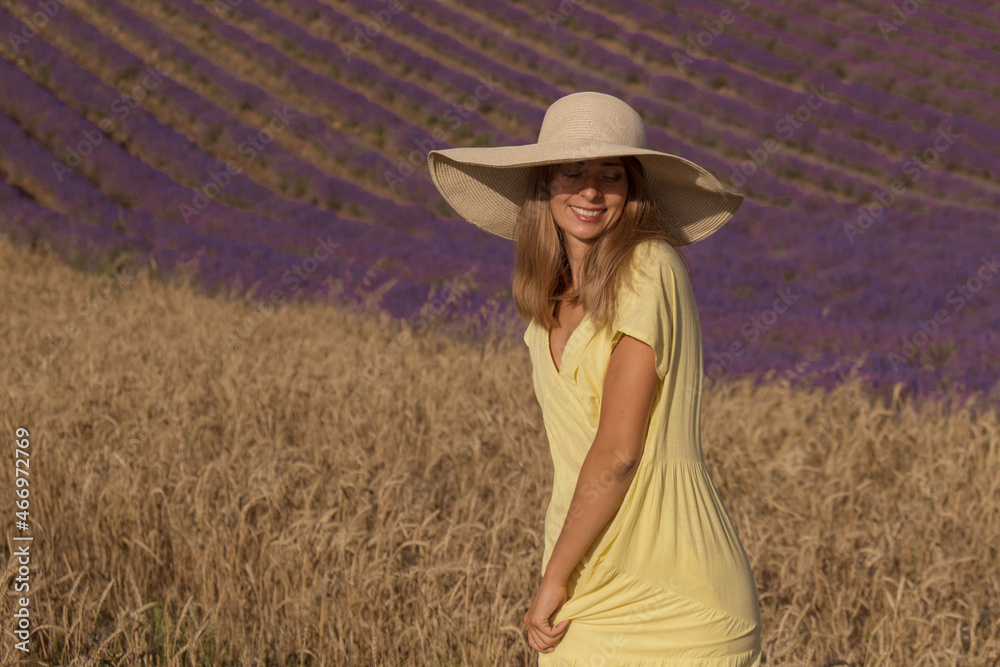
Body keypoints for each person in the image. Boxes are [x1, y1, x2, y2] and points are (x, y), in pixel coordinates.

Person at [427, 91, 762, 665]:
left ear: (631, 189)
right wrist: (563, 574)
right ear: (544, 186)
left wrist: (552, 578)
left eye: (611, 175)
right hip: (587, 579)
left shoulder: (649, 266)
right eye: (572, 172)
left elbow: (618, 454)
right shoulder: (548, 306)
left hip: (675, 593)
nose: (590, 190)